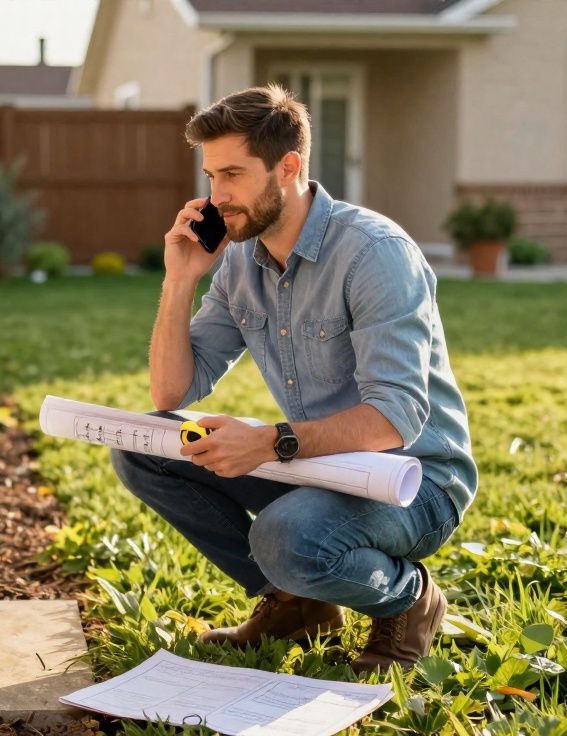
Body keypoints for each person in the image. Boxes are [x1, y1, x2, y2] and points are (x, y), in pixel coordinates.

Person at [109, 84, 478, 674]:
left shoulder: (374, 253)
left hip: (415, 480)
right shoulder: (238, 258)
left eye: (233, 175)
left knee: (283, 538)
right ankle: (296, 604)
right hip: (314, 462)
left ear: (289, 167)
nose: (217, 197)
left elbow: (395, 418)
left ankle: (410, 599)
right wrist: (179, 280)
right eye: (210, 177)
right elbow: (172, 392)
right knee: (147, 448)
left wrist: (269, 441)